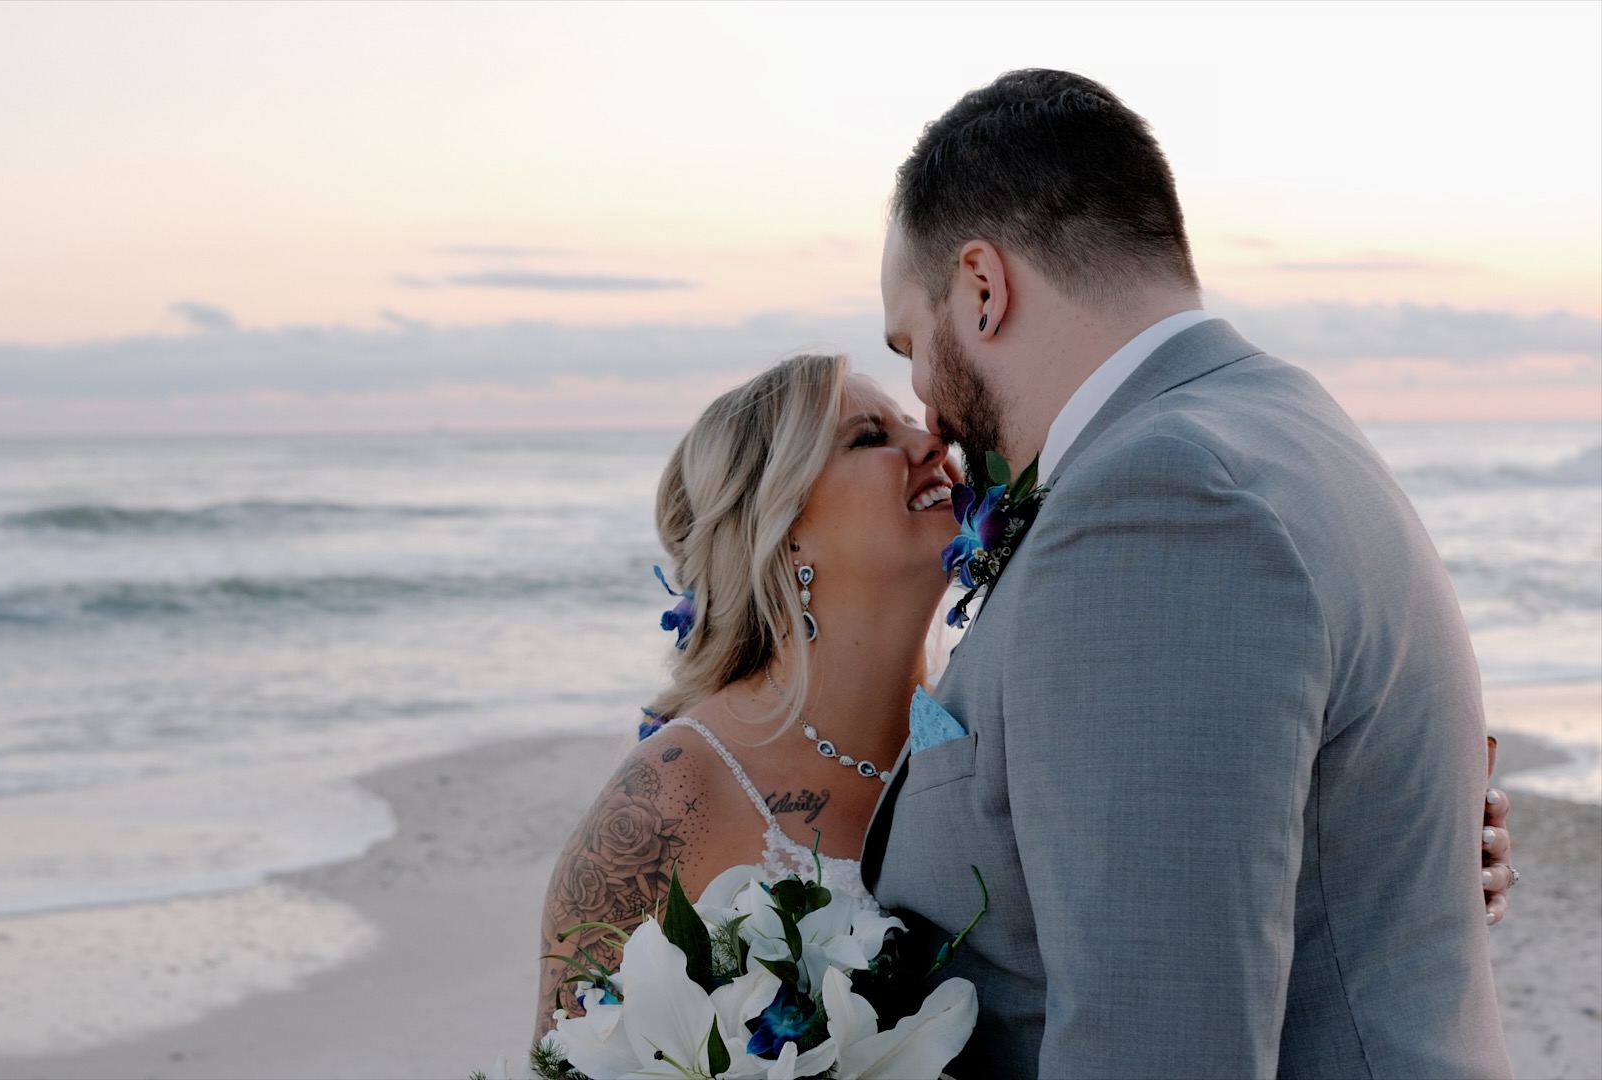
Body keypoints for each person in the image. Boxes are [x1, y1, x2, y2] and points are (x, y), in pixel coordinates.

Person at [531, 353, 1517, 1048]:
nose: (932, 443)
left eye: (915, 420)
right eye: (872, 435)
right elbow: (564, 1058)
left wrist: (1405, 849)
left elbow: (1179, 893)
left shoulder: (1001, 713)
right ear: (782, 529)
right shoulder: (671, 800)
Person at [865, 69, 1512, 1077]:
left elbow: (1159, 1041)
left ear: (983, 290)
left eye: (910, 342)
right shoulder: (1287, 423)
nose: (924, 405)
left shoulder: (1158, 504)